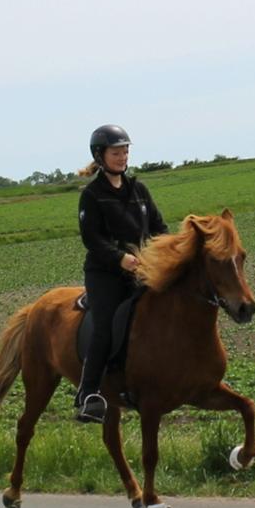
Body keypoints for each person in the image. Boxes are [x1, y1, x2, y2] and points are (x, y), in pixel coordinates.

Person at [74, 124, 168, 422]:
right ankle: (88, 394)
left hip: (141, 270)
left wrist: (168, 250)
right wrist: (119, 258)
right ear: (100, 156)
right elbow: (92, 240)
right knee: (104, 326)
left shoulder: (139, 190)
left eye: (125, 151)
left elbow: (158, 227)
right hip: (106, 275)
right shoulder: (92, 195)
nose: (122, 157)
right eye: (116, 152)